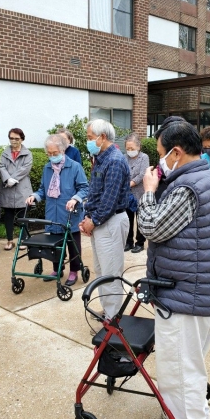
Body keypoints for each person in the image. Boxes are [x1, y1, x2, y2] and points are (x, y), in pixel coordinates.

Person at [137, 118, 210, 419]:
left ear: (176, 153)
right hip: (201, 291)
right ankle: (187, 417)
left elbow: (152, 227)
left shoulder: (187, 188)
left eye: (162, 153)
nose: (159, 160)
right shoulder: (206, 178)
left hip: (184, 297)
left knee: (180, 371)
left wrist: (149, 191)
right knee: (189, 366)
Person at [79, 119, 130, 319]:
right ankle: (109, 311)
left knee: (111, 272)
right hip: (101, 221)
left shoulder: (115, 161)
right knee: (101, 270)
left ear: (102, 137)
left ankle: (113, 317)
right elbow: (95, 194)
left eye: (90, 138)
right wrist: (87, 218)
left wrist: (93, 221)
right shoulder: (100, 158)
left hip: (111, 221)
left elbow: (109, 200)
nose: (88, 141)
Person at [26, 135, 89, 286]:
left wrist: (75, 199)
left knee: (73, 244)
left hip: (70, 214)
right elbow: (43, 189)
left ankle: (73, 271)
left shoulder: (74, 167)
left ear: (62, 150)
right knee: (55, 244)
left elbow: (85, 188)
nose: (52, 156)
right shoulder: (47, 168)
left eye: (55, 153)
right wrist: (34, 196)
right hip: (52, 213)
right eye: (49, 154)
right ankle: (57, 269)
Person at [0, 128, 33, 251]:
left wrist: (12, 179)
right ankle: (9, 240)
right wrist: (7, 179)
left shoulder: (27, 153)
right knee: (8, 216)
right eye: (11, 138)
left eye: (16, 138)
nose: (14, 141)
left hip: (22, 188)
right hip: (7, 188)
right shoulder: (4, 153)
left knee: (23, 215)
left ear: (22, 139)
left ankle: (23, 239)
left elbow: (25, 168)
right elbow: (1, 166)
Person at [124, 133, 149, 253]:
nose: (130, 151)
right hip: (127, 195)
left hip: (140, 193)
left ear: (138, 147)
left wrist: (130, 183)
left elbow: (142, 174)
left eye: (132, 148)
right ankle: (128, 242)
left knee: (140, 220)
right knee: (128, 219)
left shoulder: (144, 157)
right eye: (128, 149)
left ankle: (140, 242)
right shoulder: (124, 158)